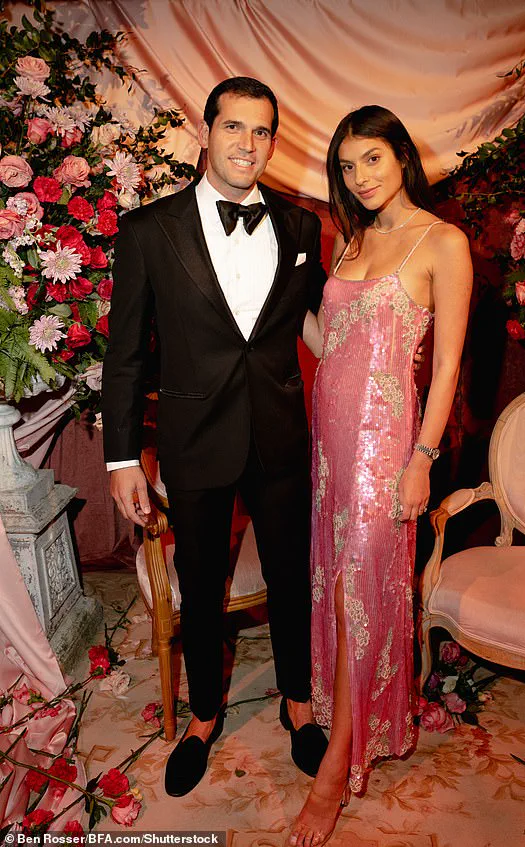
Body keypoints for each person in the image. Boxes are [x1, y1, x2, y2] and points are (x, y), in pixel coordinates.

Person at [101, 77, 329, 798]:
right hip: (195, 437)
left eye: (262, 131)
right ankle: (203, 718)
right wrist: (120, 458)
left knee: (291, 574)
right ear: (206, 131)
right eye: (234, 127)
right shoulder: (149, 230)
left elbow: (320, 323)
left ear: (274, 142)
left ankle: (298, 703)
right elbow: (125, 355)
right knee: (200, 586)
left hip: (280, 434)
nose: (248, 144)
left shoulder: (301, 228)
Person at [290, 106, 473, 845]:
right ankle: (352, 721)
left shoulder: (444, 242)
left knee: (357, 592)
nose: (360, 176)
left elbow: (448, 365)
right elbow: (330, 342)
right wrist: (279, 307)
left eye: (372, 158)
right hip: (330, 447)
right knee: (337, 591)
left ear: (402, 155)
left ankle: (334, 769)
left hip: (386, 448)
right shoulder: (353, 238)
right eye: (347, 165)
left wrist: (421, 459)